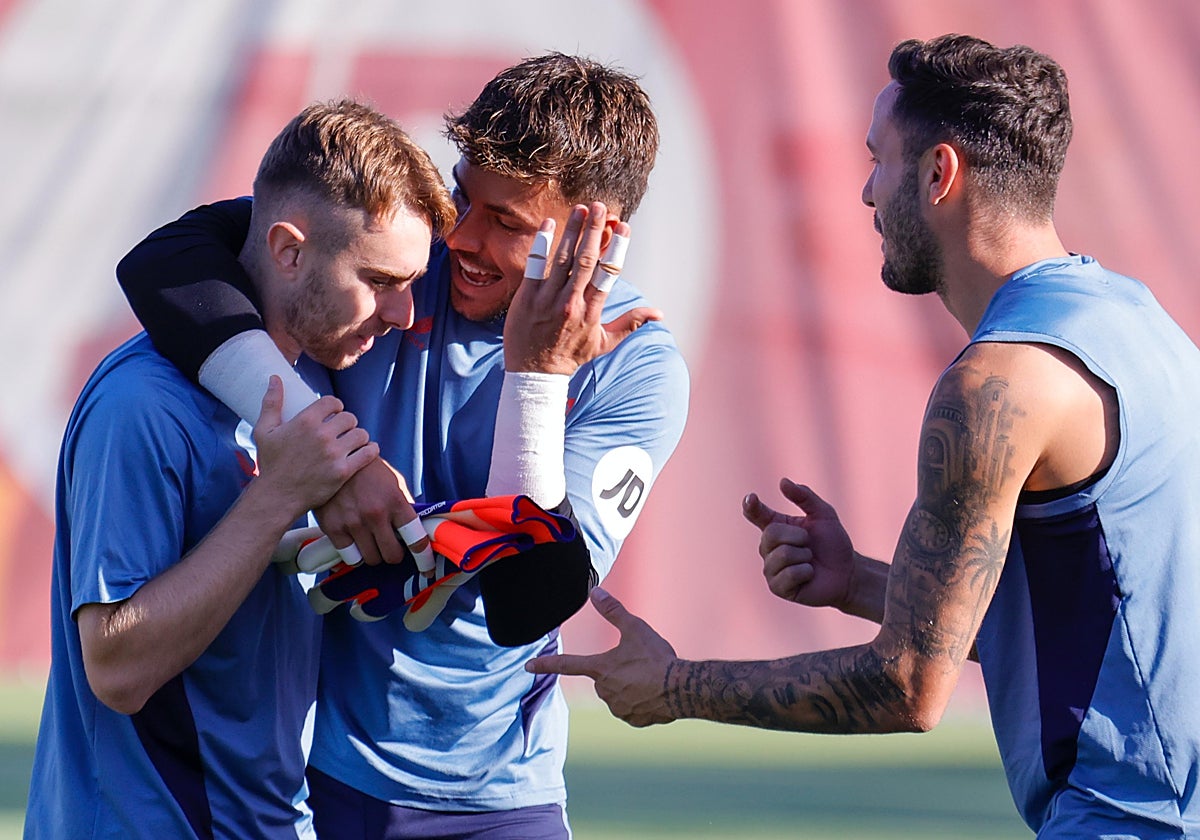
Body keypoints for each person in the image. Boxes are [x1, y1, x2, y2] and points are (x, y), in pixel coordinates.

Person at [528, 34, 1200, 839]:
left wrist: (673, 685)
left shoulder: (996, 386)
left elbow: (908, 686)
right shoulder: (1140, 318)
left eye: (877, 159)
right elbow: (1087, 629)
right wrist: (860, 585)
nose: (863, 193)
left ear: (938, 174)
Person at [115, 54, 690, 838]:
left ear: (596, 236)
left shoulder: (638, 364)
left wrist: (537, 377)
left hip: (502, 796)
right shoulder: (401, 269)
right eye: (465, 196)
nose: (467, 237)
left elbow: (529, 601)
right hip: (318, 780)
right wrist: (334, 455)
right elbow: (166, 261)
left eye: (510, 224)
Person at [24, 99, 456, 839]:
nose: (403, 313)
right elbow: (117, 669)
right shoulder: (141, 405)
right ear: (287, 250)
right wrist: (280, 497)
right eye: (381, 278)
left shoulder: (310, 383)